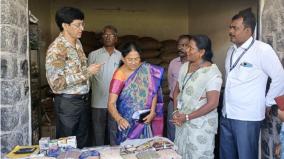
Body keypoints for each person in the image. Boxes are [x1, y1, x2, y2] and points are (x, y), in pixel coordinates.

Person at [220, 10, 284, 159]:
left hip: (247, 118)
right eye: (230, 27)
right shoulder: (231, 51)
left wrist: (267, 102)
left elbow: (280, 77)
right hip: (227, 114)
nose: (230, 31)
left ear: (248, 30)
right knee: (226, 155)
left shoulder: (262, 50)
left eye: (235, 28)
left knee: (246, 156)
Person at [45, 7, 102, 148]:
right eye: (78, 25)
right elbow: (55, 84)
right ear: (65, 25)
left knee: (83, 141)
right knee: (67, 143)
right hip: (68, 104)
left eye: (83, 24)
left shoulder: (77, 43)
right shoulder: (57, 48)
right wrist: (87, 72)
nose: (82, 28)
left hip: (82, 101)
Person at [171, 35, 222, 159]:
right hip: (182, 122)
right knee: (181, 153)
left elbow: (213, 103)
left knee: (198, 155)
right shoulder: (184, 67)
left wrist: (187, 117)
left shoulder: (212, 73)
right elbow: (177, 91)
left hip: (200, 126)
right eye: (187, 46)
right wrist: (176, 111)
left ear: (202, 52)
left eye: (191, 48)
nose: (186, 50)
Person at [108, 42, 164, 144]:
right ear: (123, 58)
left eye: (136, 59)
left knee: (147, 148)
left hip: (145, 119)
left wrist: (152, 112)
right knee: (128, 149)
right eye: (130, 59)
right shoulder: (119, 75)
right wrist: (119, 119)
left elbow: (153, 90)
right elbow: (111, 103)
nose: (133, 62)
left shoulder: (146, 69)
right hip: (127, 121)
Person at [88, 25, 122, 146]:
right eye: (105, 35)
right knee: (98, 134)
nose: (108, 37)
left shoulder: (121, 56)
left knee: (114, 132)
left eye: (111, 35)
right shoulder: (93, 55)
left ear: (116, 38)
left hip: (115, 103)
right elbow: (88, 78)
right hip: (97, 101)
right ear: (101, 38)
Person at [167, 35, 191, 142]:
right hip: (173, 103)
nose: (180, 48)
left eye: (184, 45)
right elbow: (170, 83)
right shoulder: (173, 63)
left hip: (189, 106)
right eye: (179, 45)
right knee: (172, 133)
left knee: (187, 134)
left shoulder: (196, 64)